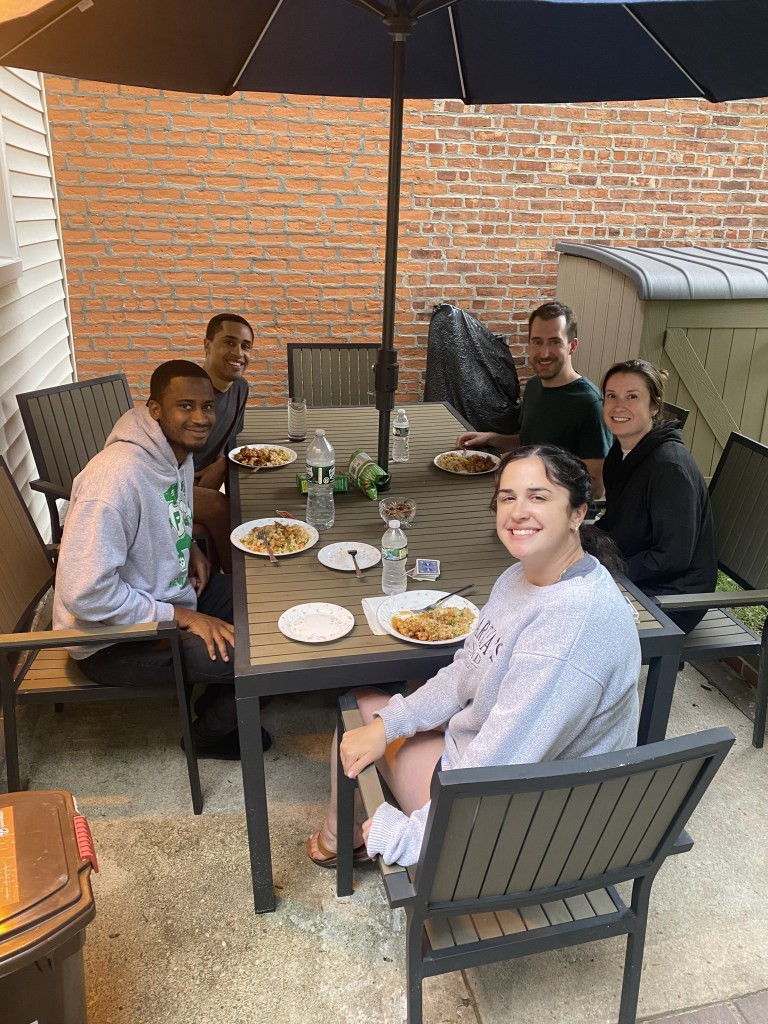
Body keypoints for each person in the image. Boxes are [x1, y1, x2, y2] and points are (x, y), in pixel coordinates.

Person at [307, 445, 640, 868]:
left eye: (538, 497)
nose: (518, 512)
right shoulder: (523, 575)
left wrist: (409, 837)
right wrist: (392, 723)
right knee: (374, 714)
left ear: (578, 513)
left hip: (524, 826)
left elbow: (502, 763)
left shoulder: (570, 625)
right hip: (504, 781)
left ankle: (338, 838)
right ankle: (341, 835)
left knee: (354, 713)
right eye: (507, 497)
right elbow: (468, 668)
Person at [53, 358, 269, 759]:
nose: (200, 418)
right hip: (112, 640)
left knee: (272, 609)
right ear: (154, 409)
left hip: (167, 594)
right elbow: (84, 593)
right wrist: (183, 617)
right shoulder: (113, 481)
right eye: (185, 406)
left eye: (207, 406)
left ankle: (217, 700)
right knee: (262, 655)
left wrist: (185, 546)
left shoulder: (176, 453)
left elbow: (163, 514)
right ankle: (204, 738)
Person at [596, 359, 716, 634]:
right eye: (611, 396)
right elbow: (616, 519)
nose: (618, 406)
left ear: (653, 406)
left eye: (632, 397)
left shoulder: (669, 468)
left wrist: (608, 571)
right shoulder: (620, 453)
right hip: (638, 572)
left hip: (674, 596)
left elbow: (672, 556)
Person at [457, 301, 611, 497]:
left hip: (562, 510)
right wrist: (491, 439)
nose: (544, 353)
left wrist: (530, 468)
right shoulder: (533, 386)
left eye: (554, 342)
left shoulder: (590, 403)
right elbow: (530, 442)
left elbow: (596, 487)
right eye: (537, 342)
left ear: (572, 346)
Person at [193, 312, 253, 573]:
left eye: (245, 346)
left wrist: (223, 463)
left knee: (251, 493)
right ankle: (237, 578)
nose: (238, 352)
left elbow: (232, 438)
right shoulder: (188, 394)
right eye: (229, 342)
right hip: (166, 486)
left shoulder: (240, 388)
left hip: (203, 481)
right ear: (207, 346)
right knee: (219, 505)